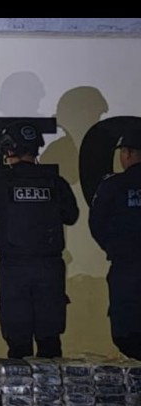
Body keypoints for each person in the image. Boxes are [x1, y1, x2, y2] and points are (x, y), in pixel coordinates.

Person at [0, 121, 79, 359]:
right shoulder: (54, 181)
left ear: (9, 148)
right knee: (50, 342)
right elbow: (71, 216)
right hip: (50, 269)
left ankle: (20, 385)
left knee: (18, 344)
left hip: (14, 270)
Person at [88, 129, 141, 360]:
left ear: (127, 153)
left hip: (127, 268)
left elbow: (97, 224)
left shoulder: (114, 185)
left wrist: (116, 249)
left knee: (127, 332)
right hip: (126, 265)